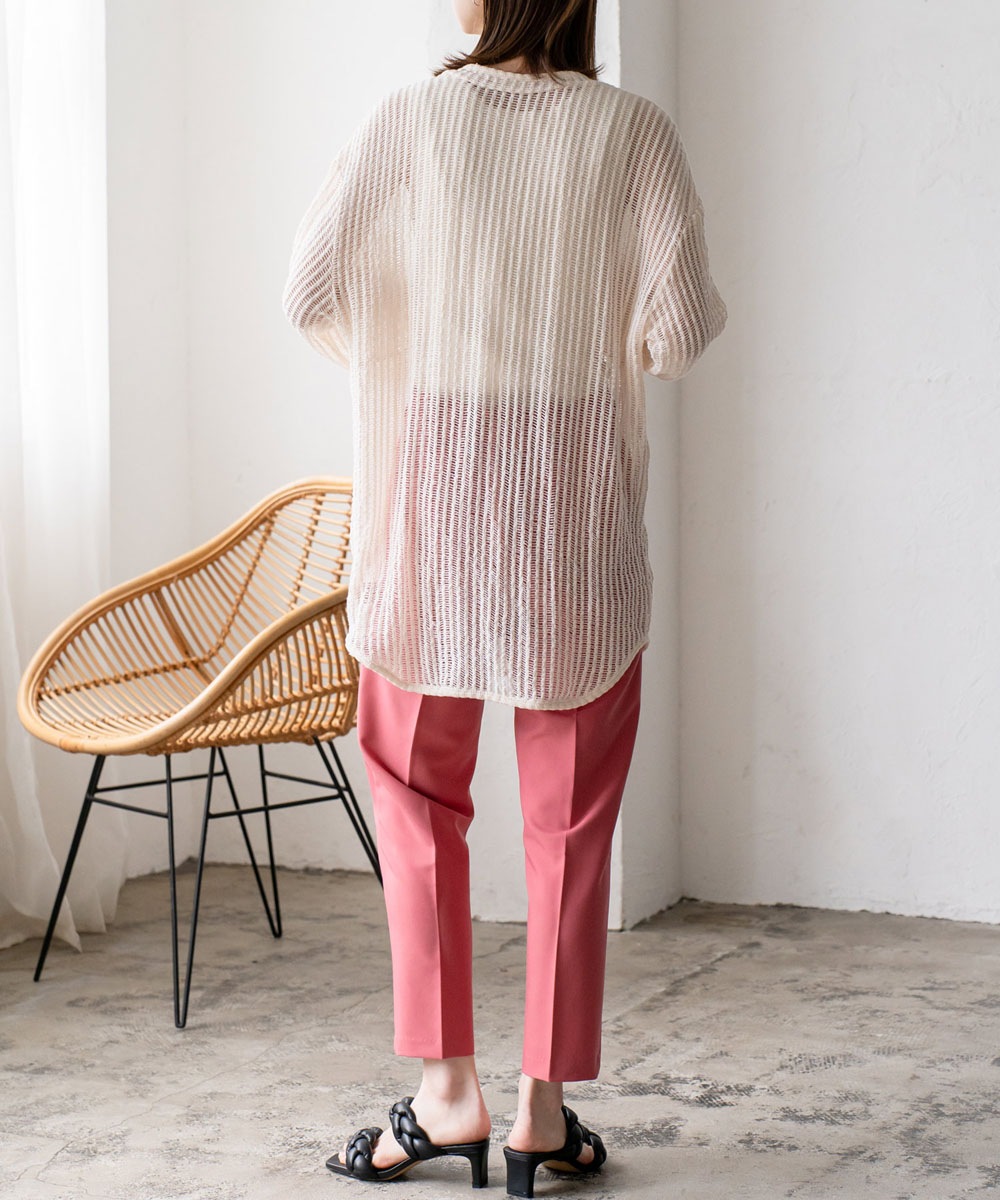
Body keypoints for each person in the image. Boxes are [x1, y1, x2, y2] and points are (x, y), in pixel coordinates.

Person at [281, 0, 727, 1192]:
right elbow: (680, 332)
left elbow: (311, 293)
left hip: (435, 483)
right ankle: (541, 1110)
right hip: (571, 493)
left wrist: (420, 353)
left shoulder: (409, 119)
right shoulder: (632, 132)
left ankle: (445, 1095)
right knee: (569, 820)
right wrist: (577, 333)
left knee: (414, 790)